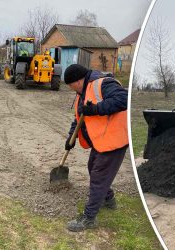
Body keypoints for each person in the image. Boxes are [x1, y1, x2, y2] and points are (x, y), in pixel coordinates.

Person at [64, 64, 128, 232]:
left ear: (78, 81)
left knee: (99, 175)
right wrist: (71, 138)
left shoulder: (103, 84)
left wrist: (95, 109)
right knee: (93, 167)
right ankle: (109, 199)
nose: (72, 90)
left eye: (71, 86)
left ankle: (89, 218)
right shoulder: (82, 93)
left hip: (114, 139)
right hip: (102, 140)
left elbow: (123, 99)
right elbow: (78, 119)